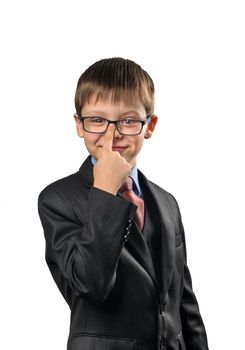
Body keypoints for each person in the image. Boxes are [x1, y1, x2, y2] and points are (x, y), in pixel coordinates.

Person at [38, 57, 209, 350]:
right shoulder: (58, 199)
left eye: (128, 121)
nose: (112, 133)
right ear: (79, 125)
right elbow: (91, 285)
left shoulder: (167, 202)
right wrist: (104, 190)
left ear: (150, 125)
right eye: (97, 120)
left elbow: (183, 303)